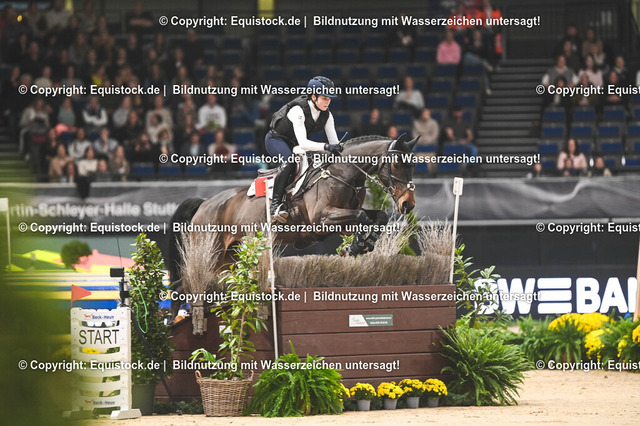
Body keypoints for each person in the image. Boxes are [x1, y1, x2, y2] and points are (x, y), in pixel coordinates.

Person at [265, 76, 342, 222]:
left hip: (295, 144)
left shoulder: (327, 115)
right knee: (289, 162)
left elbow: (334, 143)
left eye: (329, 99)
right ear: (313, 96)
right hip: (276, 139)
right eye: (324, 98)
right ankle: (275, 206)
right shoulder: (298, 110)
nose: (328, 102)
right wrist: (326, 146)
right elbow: (304, 143)